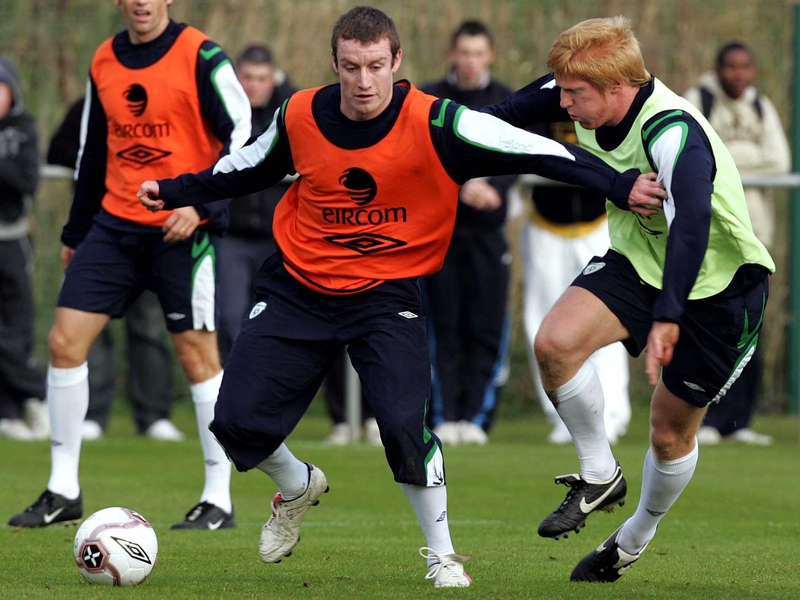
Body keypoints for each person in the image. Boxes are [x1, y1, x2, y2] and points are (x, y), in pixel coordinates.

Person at [136, 6, 662, 587]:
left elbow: (534, 149)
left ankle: (442, 557)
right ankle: (294, 485)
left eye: (376, 66)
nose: (364, 82)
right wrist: (176, 189)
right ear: (334, 64)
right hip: (297, 288)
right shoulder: (301, 114)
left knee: (403, 428)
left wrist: (618, 183)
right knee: (234, 421)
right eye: (351, 68)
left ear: (397, 62)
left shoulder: (437, 122)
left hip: (386, 296)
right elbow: (242, 168)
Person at [484, 17, 774, 582]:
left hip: (720, 290)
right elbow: (490, 124)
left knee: (668, 432)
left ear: (619, 87)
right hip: (639, 264)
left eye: (575, 95)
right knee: (555, 344)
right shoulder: (572, 88)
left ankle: (634, 535)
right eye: (561, 90)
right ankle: (599, 473)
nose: (563, 105)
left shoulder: (672, 132)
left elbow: (689, 225)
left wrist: (670, 317)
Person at [9, 0, 252, 530]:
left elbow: (242, 139)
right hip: (114, 228)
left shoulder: (203, 56)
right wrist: (76, 233)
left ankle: (218, 498)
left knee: (196, 357)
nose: (142, 2)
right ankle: (63, 488)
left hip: (182, 229)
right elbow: (93, 150)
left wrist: (201, 204)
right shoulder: (104, 59)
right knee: (63, 343)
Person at [47, 96, 182, 443]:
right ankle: (93, 414)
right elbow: (60, 151)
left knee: (150, 327)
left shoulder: (165, 109)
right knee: (86, 333)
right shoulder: (88, 106)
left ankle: (153, 416)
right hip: (100, 234)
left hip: (154, 233)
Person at [684, 42, 789, 447]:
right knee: (708, 326)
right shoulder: (699, 99)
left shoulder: (761, 106)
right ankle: (706, 420)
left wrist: (730, 157)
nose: (738, 74)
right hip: (710, 236)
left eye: (746, 67)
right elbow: (698, 154)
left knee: (749, 328)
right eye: (730, 67)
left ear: (755, 71)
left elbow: (779, 162)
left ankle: (739, 421)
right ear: (718, 68)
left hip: (754, 233)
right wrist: (746, 154)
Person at [419, 20, 516, 446]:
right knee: (442, 326)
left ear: (490, 55)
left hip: (488, 236)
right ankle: (443, 415)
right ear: (452, 54)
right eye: (464, 52)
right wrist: (458, 188)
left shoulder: (507, 99)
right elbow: (419, 156)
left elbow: (518, 154)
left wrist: (494, 189)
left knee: (486, 326)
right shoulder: (429, 97)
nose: (471, 61)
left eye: (479, 53)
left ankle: (476, 419)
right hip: (439, 234)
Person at [522, 120, 631, 446]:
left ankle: (610, 413)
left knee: (604, 323)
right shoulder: (538, 105)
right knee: (542, 325)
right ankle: (562, 417)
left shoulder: (608, 109)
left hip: (598, 225)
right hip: (545, 227)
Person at [217, 44, 296, 364]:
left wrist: (282, 84)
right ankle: (233, 394)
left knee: (274, 318)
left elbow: (300, 106)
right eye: (247, 77)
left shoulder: (285, 113)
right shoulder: (224, 116)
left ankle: (268, 393)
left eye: (263, 78)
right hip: (231, 236)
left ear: (273, 80)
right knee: (229, 317)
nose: (254, 85)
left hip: (276, 237)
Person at [0, 56, 49, 441]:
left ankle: (28, 402)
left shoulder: (24, 128)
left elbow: (25, 179)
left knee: (17, 329)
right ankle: (27, 399)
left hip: (11, 240)